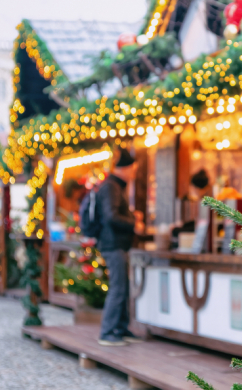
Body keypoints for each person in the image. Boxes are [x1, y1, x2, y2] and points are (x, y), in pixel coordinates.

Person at [96, 147, 143, 346]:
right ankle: (107, 331)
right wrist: (134, 223)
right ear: (123, 169)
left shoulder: (115, 187)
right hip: (112, 244)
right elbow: (110, 216)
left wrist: (132, 216)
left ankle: (121, 328)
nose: (134, 173)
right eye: (132, 169)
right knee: (118, 287)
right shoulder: (111, 187)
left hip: (117, 244)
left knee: (122, 287)